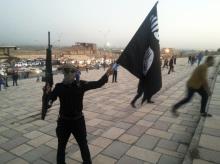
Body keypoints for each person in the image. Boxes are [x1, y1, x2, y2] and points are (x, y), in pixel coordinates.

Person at [45, 63, 113, 164]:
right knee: (61, 146)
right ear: (64, 73)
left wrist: (107, 74)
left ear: (75, 73)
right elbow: (49, 103)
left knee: (82, 144)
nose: (69, 74)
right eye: (66, 72)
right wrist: (47, 94)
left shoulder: (80, 85)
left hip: (78, 121)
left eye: (71, 71)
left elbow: (98, 83)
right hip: (64, 122)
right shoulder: (59, 87)